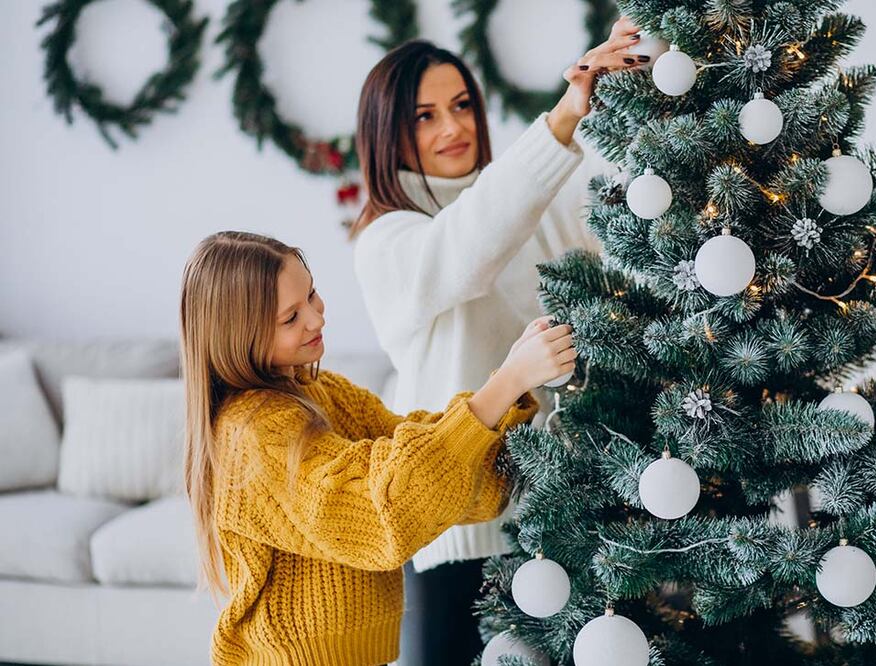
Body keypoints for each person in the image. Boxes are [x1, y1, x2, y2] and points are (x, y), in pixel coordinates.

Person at [350, 17, 643, 663]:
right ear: (386, 131)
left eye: (461, 106)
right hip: (458, 528)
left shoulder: (521, 197)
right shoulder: (386, 241)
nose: (452, 128)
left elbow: (611, 188)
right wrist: (563, 114)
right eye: (424, 116)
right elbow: (469, 247)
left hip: (559, 508)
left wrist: (632, 67)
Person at [180, 231, 575, 665]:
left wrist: (507, 387)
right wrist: (506, 384)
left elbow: (423, 461)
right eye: (290, 318)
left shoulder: (325, 390)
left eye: (311, 295)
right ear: (240, 336)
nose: (315, 319)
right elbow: (380, 514)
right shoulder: (253, 433)